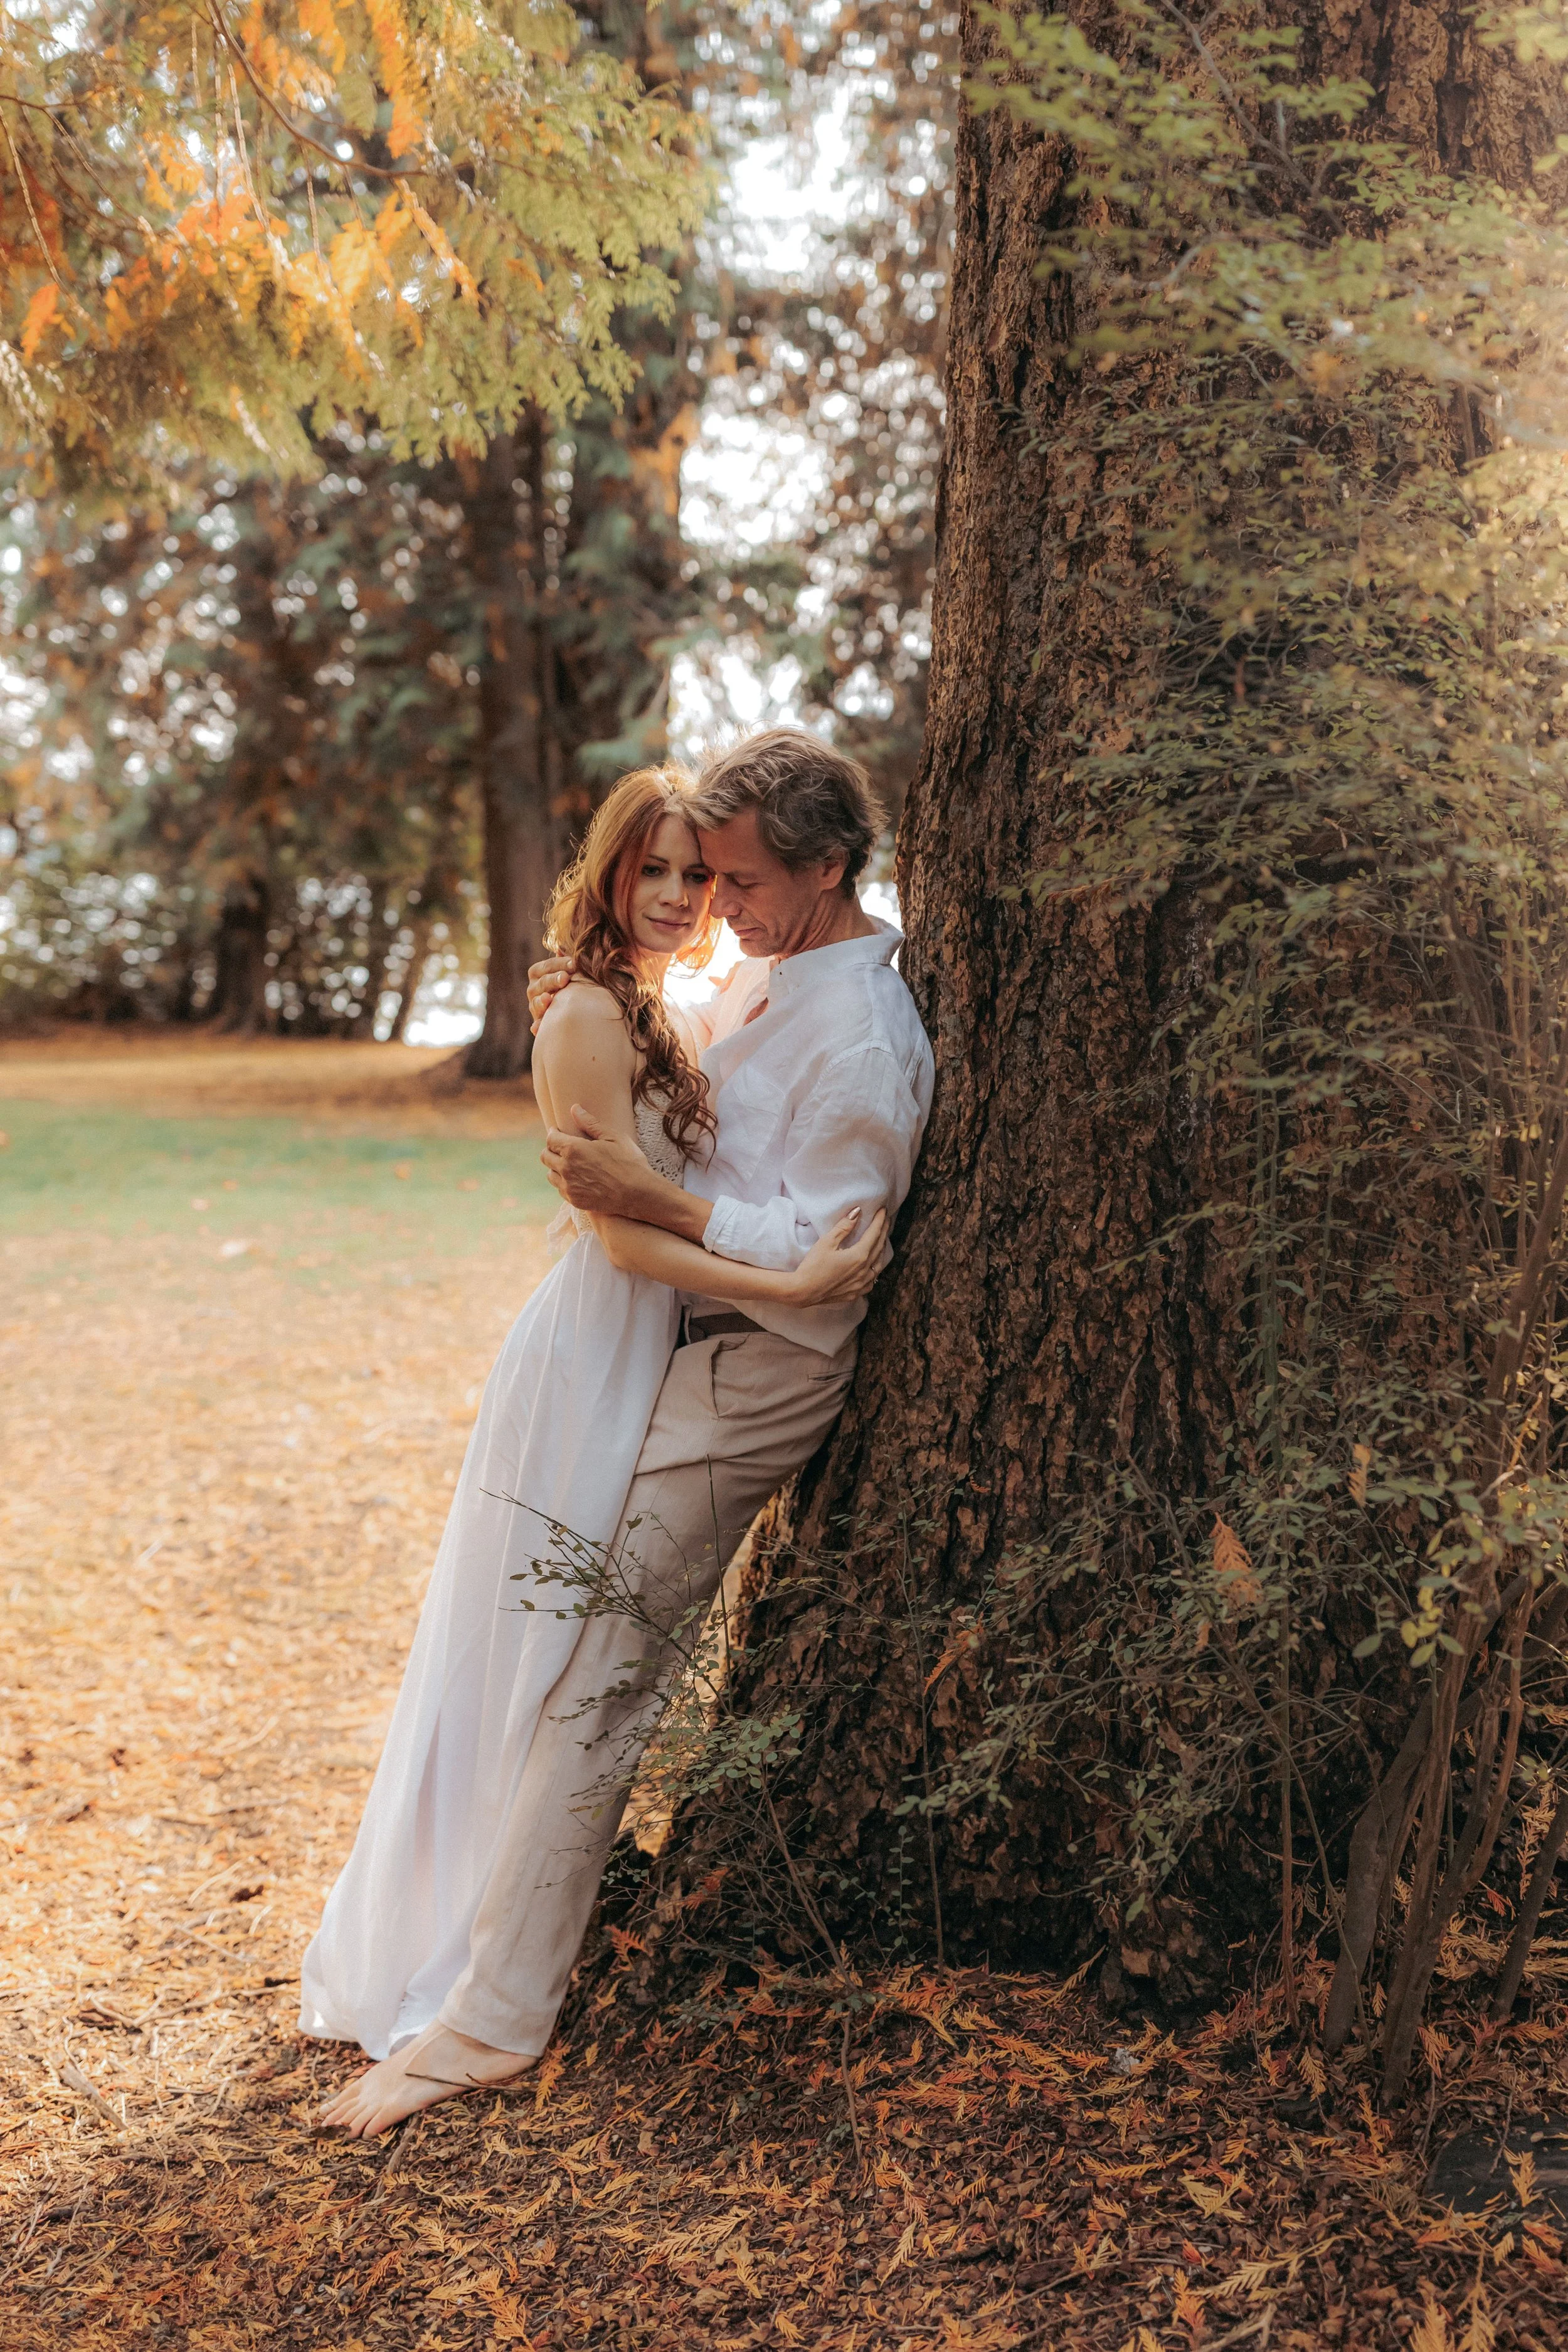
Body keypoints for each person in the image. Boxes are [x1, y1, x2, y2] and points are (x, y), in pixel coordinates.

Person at [304, 762, 886, 2137]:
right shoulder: (644, 996)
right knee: (535, 1655)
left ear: (827, 871)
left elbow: (814, 1237)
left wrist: (760, 1264)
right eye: (678, 873)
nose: (704, 902)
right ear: (612, 873)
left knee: (581, 1671)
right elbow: (622, 1215)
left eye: (728, 876)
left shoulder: (843, 1025)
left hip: (732, 1363)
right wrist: (697, 1225)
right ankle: (465, 1974)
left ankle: (491, 2013)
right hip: (620, 1347)